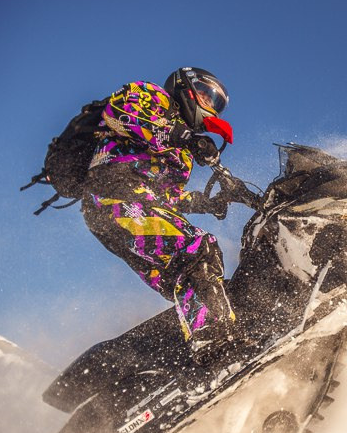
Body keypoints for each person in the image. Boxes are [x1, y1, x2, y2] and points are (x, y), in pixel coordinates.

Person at [81, 67, 239, 364]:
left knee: (182, 276)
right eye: (206, 96)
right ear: (186, 86)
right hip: (113, 196)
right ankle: (214, 340)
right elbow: (119, 113)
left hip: (132, 213)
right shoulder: (153, 97)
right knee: (197, 249)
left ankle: (176, 372)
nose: (209, 107)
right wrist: (181, 135)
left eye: (215, 104)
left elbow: (166, 197)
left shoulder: (183, 155)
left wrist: (208, 203)